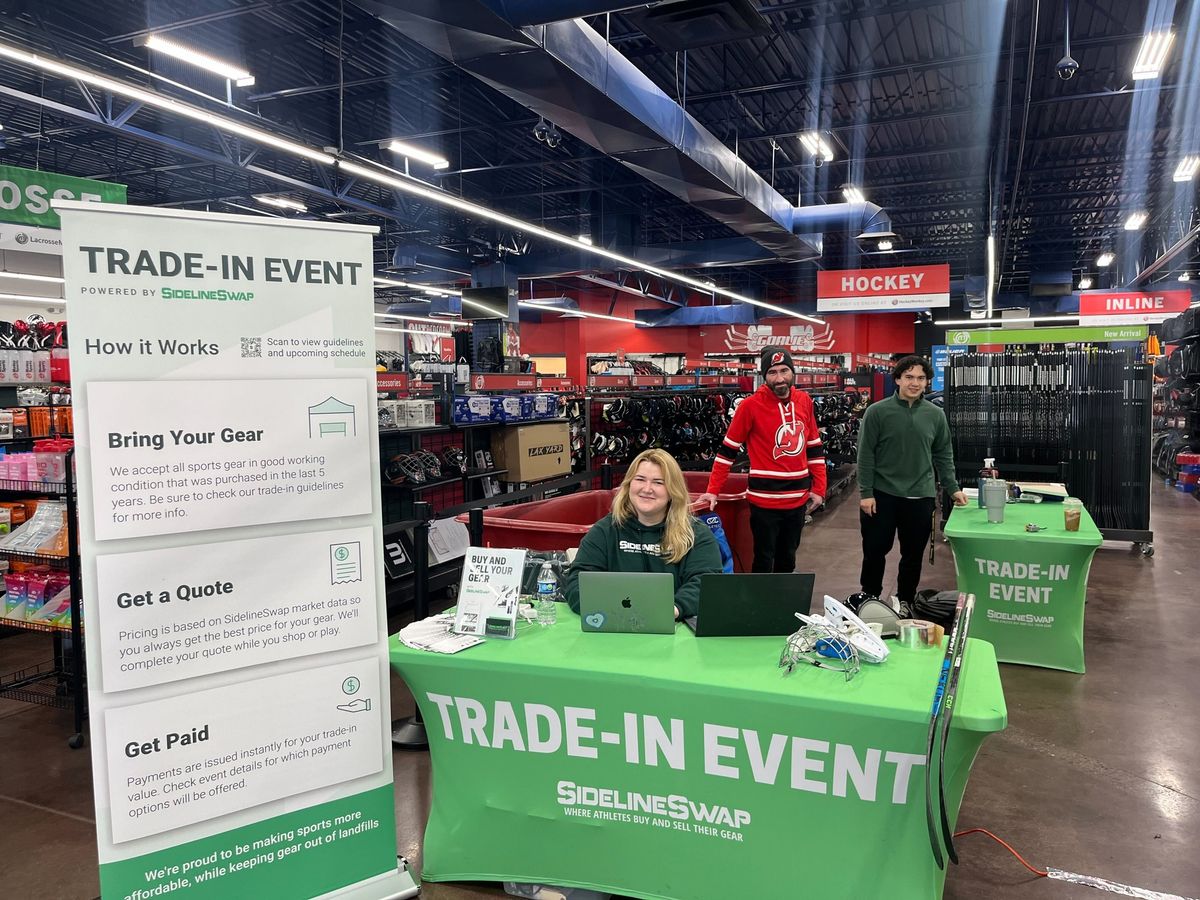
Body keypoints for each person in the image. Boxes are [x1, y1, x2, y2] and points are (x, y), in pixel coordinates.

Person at [698, 346, 826, 573]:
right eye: (772, 372)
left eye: (784, 370)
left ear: (793, 372)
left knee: (788, 559)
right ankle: (761, 607)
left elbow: (814, 448)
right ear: (764, 376)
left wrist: (820, 488)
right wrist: (713, 490)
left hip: (797, 501)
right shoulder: (749, 406)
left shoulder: (805, 401)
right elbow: (728, 451)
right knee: (763, 560)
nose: (779, 378)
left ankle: (783, 606)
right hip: (763, 502)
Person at [857, 354, 968, 608]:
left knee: (912, 556)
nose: (914, 383)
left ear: (927, 382)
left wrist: (952, 488)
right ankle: (868, 600)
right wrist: (865, 492)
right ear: (897, 379)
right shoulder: (876, 412)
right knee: (874, 552)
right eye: (909, 377)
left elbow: (943, 454)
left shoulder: (935, 415)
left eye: (920, 378)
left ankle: (905, 601)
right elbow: (865, 455)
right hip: (881, 495)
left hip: (920, 497)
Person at [565, 448, 723, 620]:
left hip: (676, 630)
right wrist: (612, 612)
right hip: (614, 628)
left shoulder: (697, 534)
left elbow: (707, 583)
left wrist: (673, 609)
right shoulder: (605, 530)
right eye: (640, 479)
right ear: (629, 485)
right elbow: (577, 582)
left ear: (672, 490)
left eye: (658, 482)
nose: (647, 489)